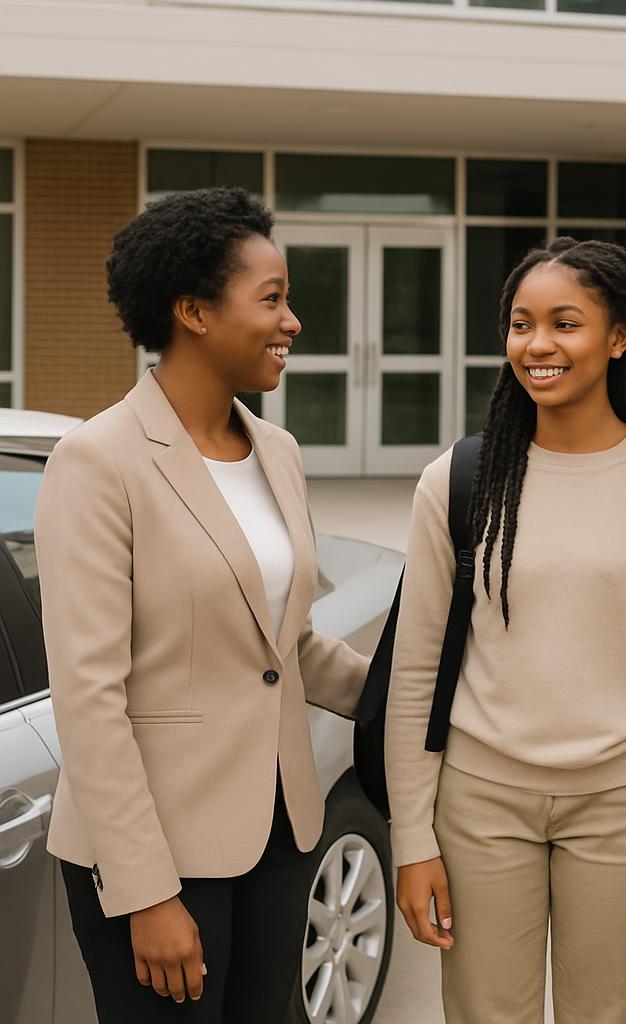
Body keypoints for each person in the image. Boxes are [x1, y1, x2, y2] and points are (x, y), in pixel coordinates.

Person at [34, 187, 369, 1023]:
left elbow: (281, 642)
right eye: (272, 299)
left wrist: (421, 696)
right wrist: (146, 890)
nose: (293, 321)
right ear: (192, 311)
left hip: (279, 832)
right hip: (157, 851)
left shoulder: (278, 453)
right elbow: (88, 696)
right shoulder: (96, 461)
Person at [384, 237, 626, 1024]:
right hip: (478, 802)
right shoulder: (458, 480)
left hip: (624, 802)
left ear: (618, 337)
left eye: (564, 324)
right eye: (520, 324)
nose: (537, 345)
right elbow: (414, 672)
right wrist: (412, 838)